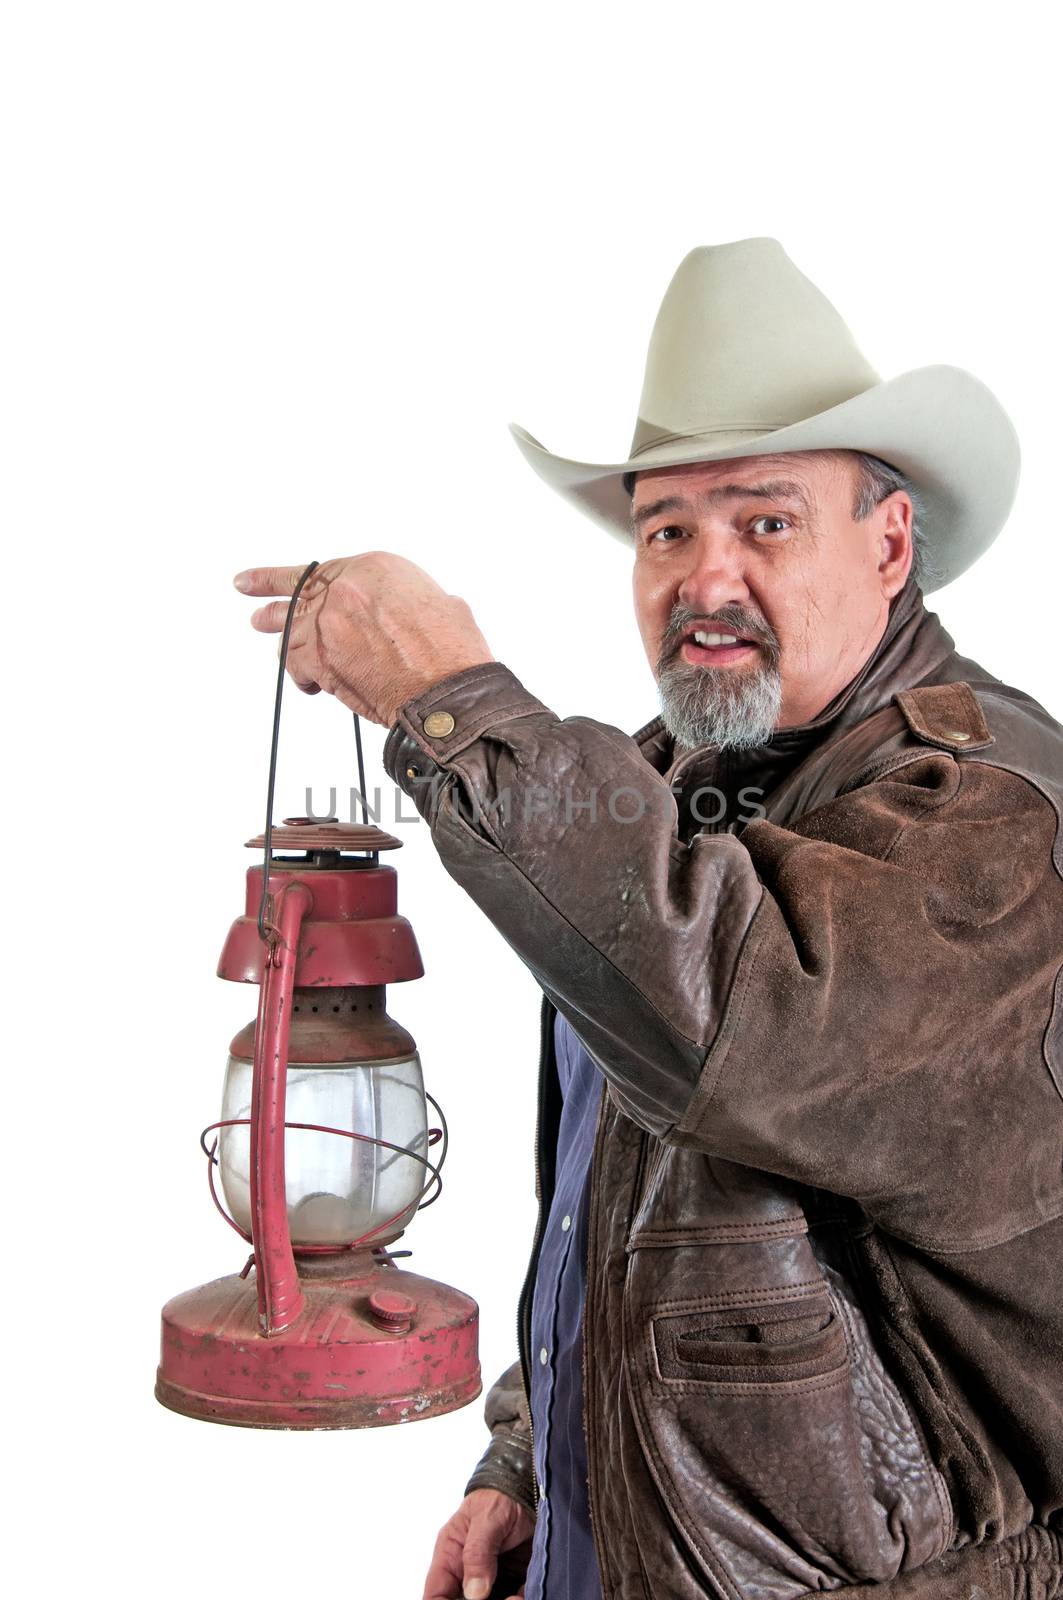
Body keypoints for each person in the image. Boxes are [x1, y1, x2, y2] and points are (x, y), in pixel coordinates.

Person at [234, 240, 1063, 1600]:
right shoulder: (665, 795)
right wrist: (530, 1460)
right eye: (666, 529)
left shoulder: (985, 815)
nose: (705, 576)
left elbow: (747, 1034)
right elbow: (623, 1203)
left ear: (892, 542)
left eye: (768, 522)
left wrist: (455, 706)